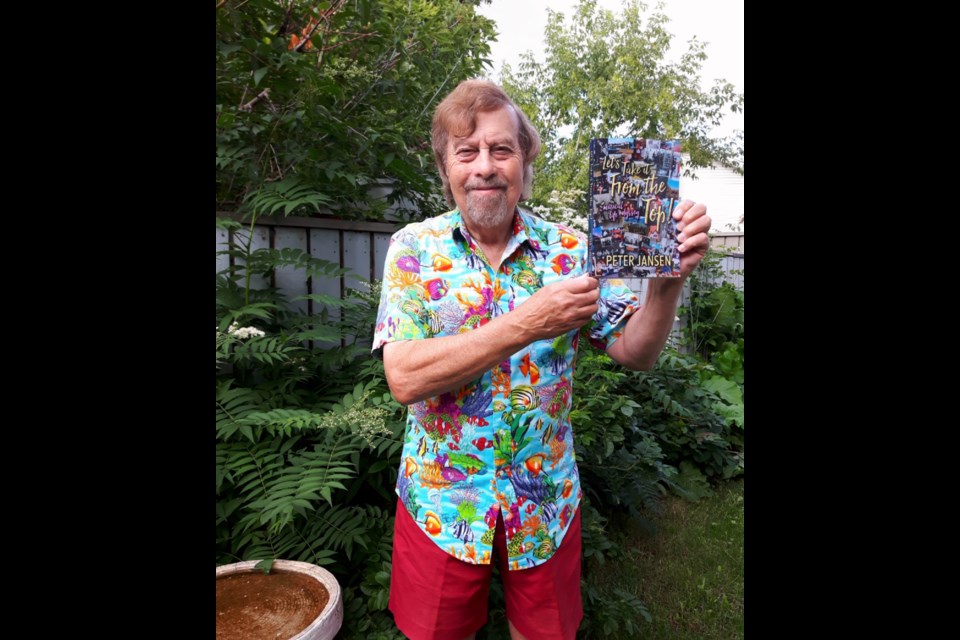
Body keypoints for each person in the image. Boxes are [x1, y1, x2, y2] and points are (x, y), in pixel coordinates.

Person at [371, 79, 711, 640]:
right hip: (441, 503)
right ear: (446, 168)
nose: (485, 166)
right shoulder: (414, 249)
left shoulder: (572, 252)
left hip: (544, 502)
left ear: (524, 162)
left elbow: (637, 351)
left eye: (502, 150)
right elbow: (405, 377)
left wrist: (667, 284)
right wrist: (529, 321)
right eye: (467, 151)